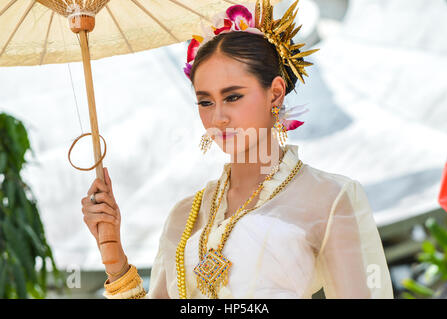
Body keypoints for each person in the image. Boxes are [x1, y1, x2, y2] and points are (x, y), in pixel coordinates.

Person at [81, 0, 393, 299]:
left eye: (233, 97)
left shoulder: (329, 198)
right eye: (205, 102)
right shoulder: (184, 215)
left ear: (275, 94)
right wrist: (113, 254)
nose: (218, 117)